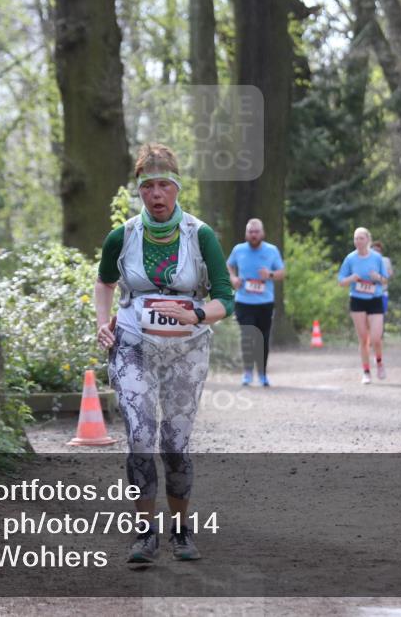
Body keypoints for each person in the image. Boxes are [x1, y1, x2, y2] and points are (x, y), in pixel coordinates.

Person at [94, 143, 234, 564]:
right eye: (148, 187)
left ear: (177, 188)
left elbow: (226, 299)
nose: (156, 194)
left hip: (186, 349)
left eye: (164, 186)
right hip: (133, 344)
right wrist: (103, 322)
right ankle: (143, 533)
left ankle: (180, 530)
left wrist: (195, 311)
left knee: (174, 444)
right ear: (139, 191)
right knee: (139, 438)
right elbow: (104, 284)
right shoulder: (122, 236)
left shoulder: (200, 234)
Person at [227, 219, 285, 387]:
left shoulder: (272, 250)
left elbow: (281, 273)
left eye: (256, 231)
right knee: (247, 336)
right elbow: (229, 266)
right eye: (250, 232)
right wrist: (233, 278)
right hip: (244, 301)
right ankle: (247, 372)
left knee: (263, 338)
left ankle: (262, 373)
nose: (253, 235)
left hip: (265, 302)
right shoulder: (238, 250)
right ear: (246, 233)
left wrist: (270, 275)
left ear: (262, 233)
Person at [338, 227, 388, 384]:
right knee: (363, 339)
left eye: (361, 238)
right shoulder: (350, 259)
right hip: (357, 300)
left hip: (375, 299)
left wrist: (377, 277)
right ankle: (366, 372)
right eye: (355, 238)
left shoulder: (377, 258)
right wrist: (351, 278)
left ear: (368, 240)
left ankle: (379, 362)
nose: (358, 241)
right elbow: (341, 281)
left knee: (376, 338)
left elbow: (385, 280)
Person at [371, 240, 393, 329]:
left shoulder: (386, 260)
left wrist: (380, 276)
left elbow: (390, 274)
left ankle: (380, 335)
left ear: (381, 251)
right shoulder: (366, 260)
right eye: (374, 250)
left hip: (382, 292)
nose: (376, 252)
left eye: (378, 250)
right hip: (369, 292)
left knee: (381, 314)